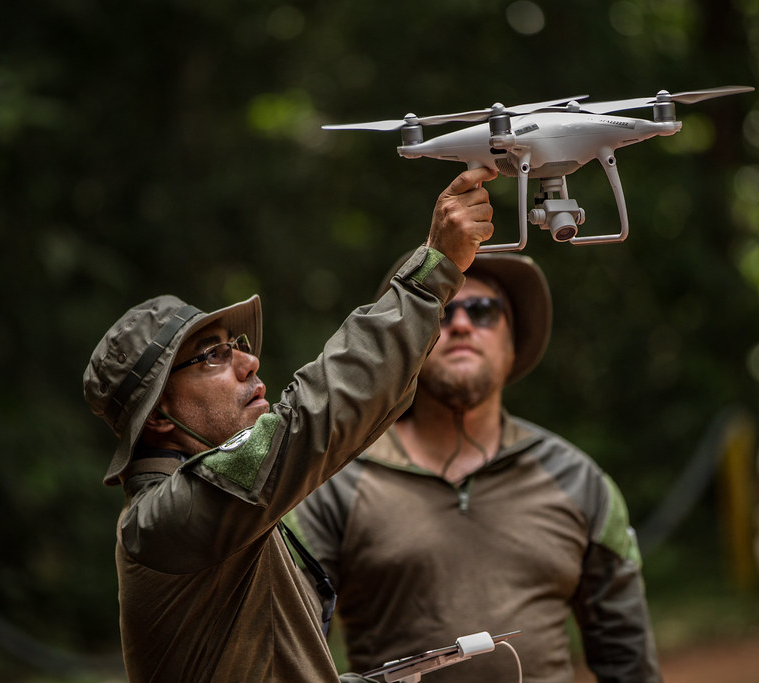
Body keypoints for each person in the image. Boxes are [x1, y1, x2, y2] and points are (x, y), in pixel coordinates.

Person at [81, 167, 498, 682]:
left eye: (237, 346)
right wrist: (431, 273)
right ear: (159, 420)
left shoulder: (220, 518)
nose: (247, 363)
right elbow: (311, 419)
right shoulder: (167, 522)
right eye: (212, 356)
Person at [291, 251, 663, 682]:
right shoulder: (335, 485)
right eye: (443, 312)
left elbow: (630, 664)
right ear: (407, 342)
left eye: (484, 310)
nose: (462, 324)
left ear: (512, 343)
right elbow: (289, 652)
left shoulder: (579, 480)